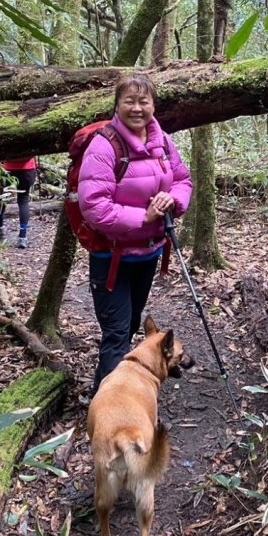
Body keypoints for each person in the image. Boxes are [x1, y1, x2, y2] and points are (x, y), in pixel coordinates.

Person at [78, 73, 193, 393]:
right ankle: (110, 405)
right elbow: (94, 206)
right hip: (111, 258)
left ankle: (109, 393)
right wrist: (145, 216)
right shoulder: (104, 146)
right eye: (129, 101)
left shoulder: (163, 141)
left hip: (148, 253)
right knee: (117, 335)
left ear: (153, 105)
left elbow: (183, 181)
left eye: (144, 101)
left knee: (128, 327)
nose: (137, 108)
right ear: (117, 105)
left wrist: (173, 200)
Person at [0, 156, 38, 249]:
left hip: (7, 169)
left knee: (2, 197)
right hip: (27, 169)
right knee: (23, 201)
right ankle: (22, 237)